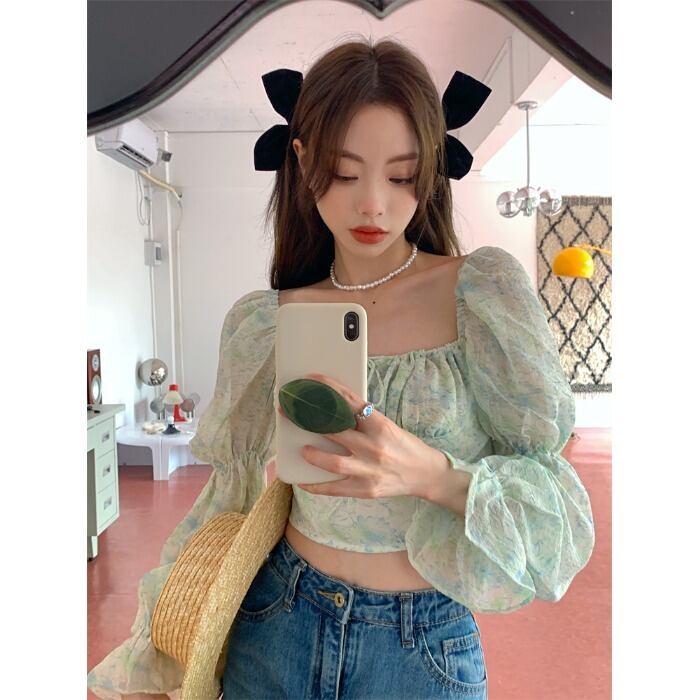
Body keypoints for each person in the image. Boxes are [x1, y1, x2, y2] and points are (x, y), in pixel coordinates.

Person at [87, 37, 595, 700]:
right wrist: (161, 641)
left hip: (420, 648)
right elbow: (228, 496)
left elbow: (553, 508)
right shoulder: (269, 321)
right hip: (277, 622)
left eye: (402, 175)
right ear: (303, 161)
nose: (373, 204)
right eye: (346, 173)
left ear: (430, 171)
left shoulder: (481, 294)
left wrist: (432, 473)